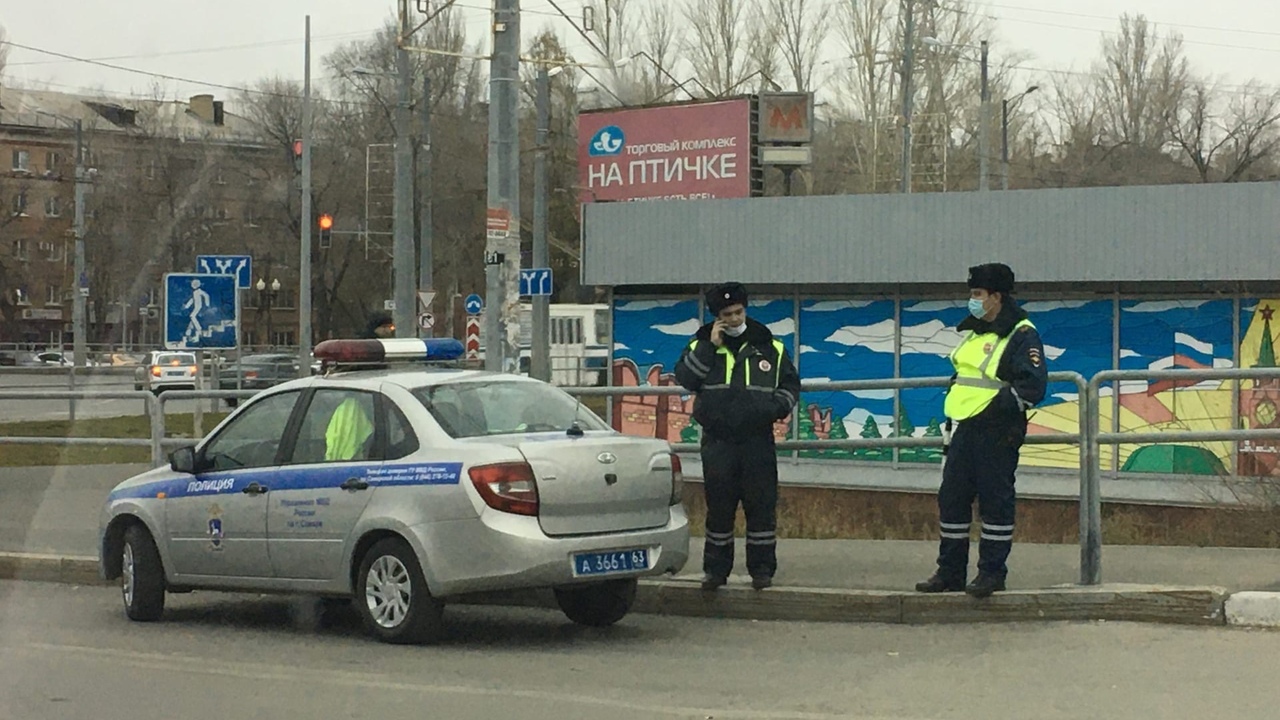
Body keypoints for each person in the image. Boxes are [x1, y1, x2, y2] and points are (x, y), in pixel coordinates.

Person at [916, 263, 1048, 599]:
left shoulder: (1021, 334)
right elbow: (964, 377)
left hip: (997, 430)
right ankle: (950, 573)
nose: (972, 300)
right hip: (965, 427)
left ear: (996, 296)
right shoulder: (976, 332)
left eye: (977, 294)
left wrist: (996, 410)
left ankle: (991, 574)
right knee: (952, 499)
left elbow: (1031, 387)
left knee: (995, 503)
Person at [675, 282, 800, 592]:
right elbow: (687, 378)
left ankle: (761, 570)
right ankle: (716, 571)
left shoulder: (769, 346)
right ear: (717, 317)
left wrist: (773, 408)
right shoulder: (700, 345)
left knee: (761, 507)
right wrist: (710, 346)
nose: (734, 319)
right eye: (727, 314)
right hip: (718, 442)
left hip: (757, 440)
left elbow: (790, 386)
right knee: (719, 510)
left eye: (738, 312)